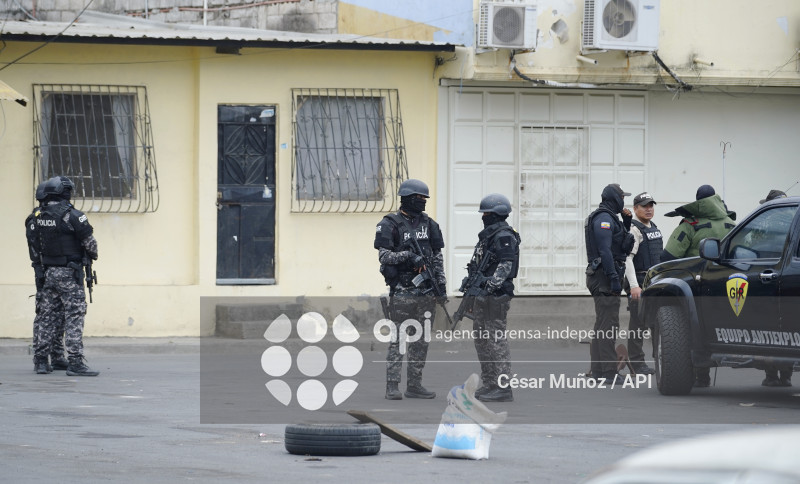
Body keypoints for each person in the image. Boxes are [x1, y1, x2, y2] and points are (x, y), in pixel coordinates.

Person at [374, 179, 445, 400]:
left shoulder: (430, 225)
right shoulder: (389, 224)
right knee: (398, 340)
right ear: (407, 198)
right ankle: (392, 386)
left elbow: (437, 257)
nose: (423, 202)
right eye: (419, 199)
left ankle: (415, 385)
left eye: (425, 199)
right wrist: (407, 256)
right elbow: (384, 256)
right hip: (403, 291)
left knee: (421, 341)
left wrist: (440, 286)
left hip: (425, 291)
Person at [661, 184, 736, 387]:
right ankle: (775, 375)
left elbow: (667, 257)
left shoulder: (690, 224)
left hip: (697, 286)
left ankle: (700, 376)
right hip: (729, 287)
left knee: (692, 330)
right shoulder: (732, 223)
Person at [29, 176, 99, 377]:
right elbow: (91, 246)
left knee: (47, 317)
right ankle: (75, 362)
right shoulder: (73, 215)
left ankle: (41, 361)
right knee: (74, 315)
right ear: (64, 192)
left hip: (48, 272)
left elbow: (34, 245)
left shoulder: (37, 216)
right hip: (69, 272)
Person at [464, 194, 520, 403]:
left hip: (496, 296)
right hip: (483, 295)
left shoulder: (504, 235)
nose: (483, 216)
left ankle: (504, 387)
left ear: (495, 214)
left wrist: (489, 286)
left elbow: (505, 266)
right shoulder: (489, 235)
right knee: (482, 340)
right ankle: (490, 383)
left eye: (486, 213)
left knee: (496, 341)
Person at [585, 184, 635, 384]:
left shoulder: (610, 217)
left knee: (602, 325)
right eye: (622, 196)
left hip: (605, 275)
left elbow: (619, 244)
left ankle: (598, 370)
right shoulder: (604, 218)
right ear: (614, 197)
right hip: (605, 277)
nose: (624, 200)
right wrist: (614, 278)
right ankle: (609, 373)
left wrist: (627, 222)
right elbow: (605, 250)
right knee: (609, 325)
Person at [26, 181, 68, 373]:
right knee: (46, 315)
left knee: (56, 315)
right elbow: (35, 247)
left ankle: (56, 355)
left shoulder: (37, 216)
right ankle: (43, 357)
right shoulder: (37, 218)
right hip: (47, 269)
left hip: (45, 269)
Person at [623, 192, 662, 375]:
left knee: (656, 322)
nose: (649, 209)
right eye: (644, 206)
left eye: (651, 205)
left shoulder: (652, 226)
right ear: (635, 209)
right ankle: (637, 363)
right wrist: (633, 286)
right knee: (638, 324)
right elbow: (627, 259)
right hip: (639, 281)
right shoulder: (633, 229)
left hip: (653, 281)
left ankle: (661, 358)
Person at [758, 189, 792, 387]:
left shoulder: (765, 224)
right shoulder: (793, 223)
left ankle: (771, 375)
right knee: (785, 328)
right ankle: (785, 375)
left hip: (768, 282)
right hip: (787, 282)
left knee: (768, 330)